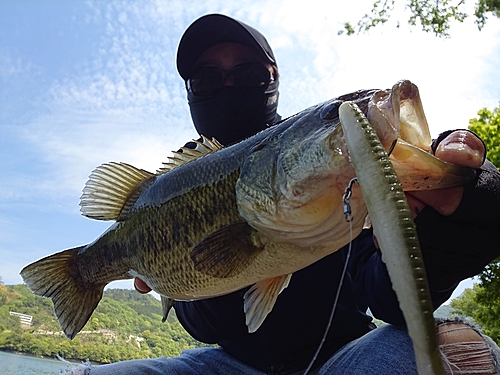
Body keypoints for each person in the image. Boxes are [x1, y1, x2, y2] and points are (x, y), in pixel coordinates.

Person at [65, 14, 500, 375]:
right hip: (228, 364)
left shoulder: (339, 179)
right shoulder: (169, 189)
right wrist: (181, 277)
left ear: (272, 80)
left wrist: (445, 237)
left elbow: (386, 297)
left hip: (343, 357)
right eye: (207, 77)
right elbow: (202, 326)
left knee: (447, 351)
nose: (229, 86)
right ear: (190, 92)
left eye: (249, 73)